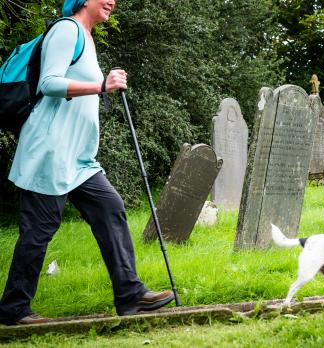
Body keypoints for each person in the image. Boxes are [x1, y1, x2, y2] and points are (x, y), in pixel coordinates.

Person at [0, 0, 174, 326]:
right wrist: (101, 86)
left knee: (110, 208)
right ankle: (13, 309)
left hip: (78, 158)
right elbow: (48, 83)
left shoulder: (87, 38)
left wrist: (101, 82)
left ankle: (130, 295)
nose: (111, 0)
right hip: (50, 152)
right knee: (38, 231)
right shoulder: (67, 30)